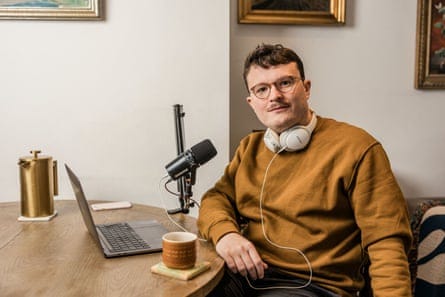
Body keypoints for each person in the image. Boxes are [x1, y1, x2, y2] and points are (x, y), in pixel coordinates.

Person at [197, 44, 413, 297]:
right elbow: (216, 198)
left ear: (306, 88)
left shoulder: (358, 147)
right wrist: (226, 236)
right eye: (262, 90)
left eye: (285, 83)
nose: (274, 96)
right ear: (251, 102)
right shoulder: (250, 148)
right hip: (246, 275)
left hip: (314, 287)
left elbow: (386, 242)